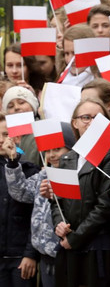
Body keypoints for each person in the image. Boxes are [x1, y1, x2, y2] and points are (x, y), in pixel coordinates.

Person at [48, 98, 110, 287]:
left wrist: (75, 238)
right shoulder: (67, 158)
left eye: (97, 118)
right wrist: (60, 225)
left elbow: (105, 206)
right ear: (74, 123)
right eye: (85, 117)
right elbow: (57, 200)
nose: (91, 122)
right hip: (69, 246)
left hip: (98, 247)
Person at [5, 122, 75, 287]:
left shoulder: (78, 176)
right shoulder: (44, 174)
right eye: (48, 151)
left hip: (68, 256)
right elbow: (20, 192)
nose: (51, 155)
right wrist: (13, 163)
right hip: (45, 257)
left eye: (57, 149)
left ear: (71, 149)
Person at [0, 112, 38, 287]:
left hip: (20, 259)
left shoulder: (31, 170)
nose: (2, 140)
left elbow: (36, 216)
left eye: (6, 134)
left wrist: (30, 254)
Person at [2, 86, 41, 166]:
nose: (16, 107)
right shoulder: (5, 137)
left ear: (33, 107)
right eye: (10, 106)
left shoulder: (45, 130)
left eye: (21, 102)